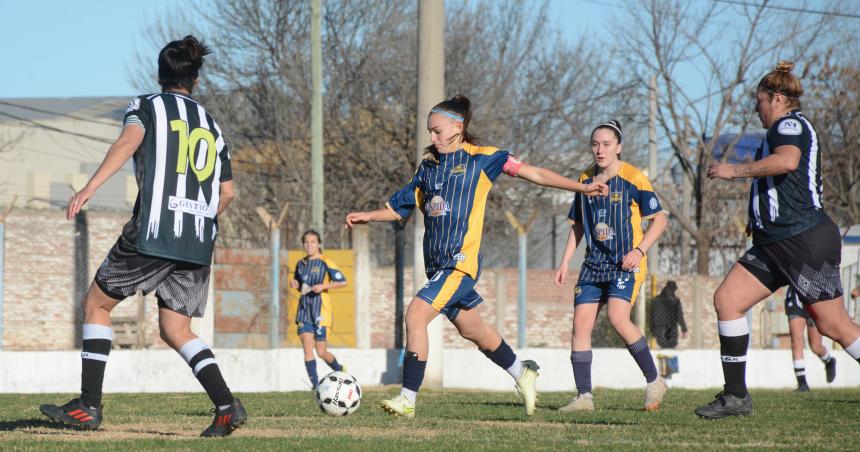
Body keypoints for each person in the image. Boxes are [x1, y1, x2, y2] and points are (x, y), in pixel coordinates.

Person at [345, 95, 608, 419]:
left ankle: (407, 399)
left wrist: (581, 189)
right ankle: (521, 371)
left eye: (437, 130)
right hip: (437, 268)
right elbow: (399, 207)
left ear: (458, 127)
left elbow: (534, 174)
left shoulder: (484, 159)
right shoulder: (428, 168)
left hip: (460, 263)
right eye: (429, 131)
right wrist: (368, 216)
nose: (432, 137)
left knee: (415, 315)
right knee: (472, 329)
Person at [39, 36, 247, 437]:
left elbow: (127, 142)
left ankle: (88, 406)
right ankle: (226, 405)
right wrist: (201, 220)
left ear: (160, 74)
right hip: (197, 243)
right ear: (196, 80)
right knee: (176, 330)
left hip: (153, 235)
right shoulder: (211, 125)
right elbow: (228, 193)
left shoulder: (147, 106)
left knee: (96, 306)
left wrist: (88, 188)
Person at [697, 61, 860, 419]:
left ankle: (736, 395)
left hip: (803, 239)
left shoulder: (788, 124)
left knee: (834, 326)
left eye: (759, 100)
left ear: (776, 98)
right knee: (728, 300)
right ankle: (735, 396)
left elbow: (787, 162)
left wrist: (732, 171)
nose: (756, 108)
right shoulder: (781, 129)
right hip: (775, 244)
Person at [554, 120, 669, 412]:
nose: (600, 149)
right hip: (594, 264)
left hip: (624, 264)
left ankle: (654, 381)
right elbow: (578, 225)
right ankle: (584, 397)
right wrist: (565, 261)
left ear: (618, 147)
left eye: (606, 144)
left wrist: (640, 251)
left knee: (619, 318)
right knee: (580, 325)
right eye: (595, 144)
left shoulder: (634, 178)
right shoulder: (584, 179)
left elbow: (660, 220)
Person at [289, 230, 348, 388]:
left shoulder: (325, 262)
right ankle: (315, 387)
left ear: (319, 244)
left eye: (313, 242)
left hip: (321, 312)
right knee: (307, 348)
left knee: (321, 351)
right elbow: (301, 286)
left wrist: (323, 286)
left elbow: (343, 281)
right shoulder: (300, 264)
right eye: (306, 242)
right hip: (304, 311)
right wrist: (296, 285)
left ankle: (340, 370)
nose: (309, 245)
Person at [784, 287, 836, 392]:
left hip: (814, 296)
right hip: (796, 298)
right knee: (796, 340)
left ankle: (829, 361)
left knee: (815, 346)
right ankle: (802, 384)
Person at [649, 280, 688, 349]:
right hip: (672, 329)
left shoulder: (656, 300)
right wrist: (684, 329)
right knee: (671, 350)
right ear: (674, 289)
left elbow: (652, 316)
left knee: (663, 349)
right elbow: (680, 316)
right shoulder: (675, 301)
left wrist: (652, 330)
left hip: (659, 329)